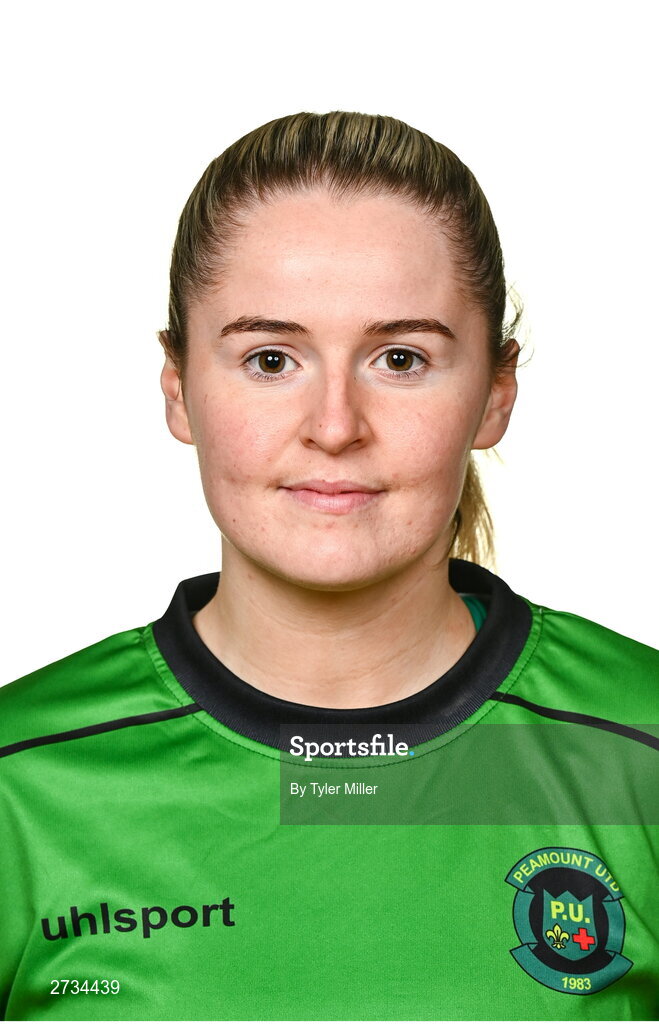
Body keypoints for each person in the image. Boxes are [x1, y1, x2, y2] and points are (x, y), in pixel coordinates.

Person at [1, 110, 657, 1022]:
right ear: (180, 387)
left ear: (494, 395)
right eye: (270, 359)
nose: (336, 425)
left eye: (400, 358)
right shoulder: (20, 784)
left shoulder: (638, 754)